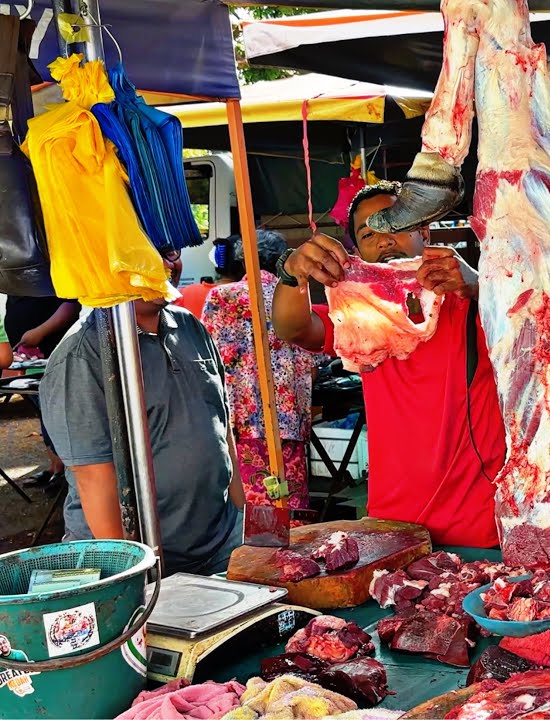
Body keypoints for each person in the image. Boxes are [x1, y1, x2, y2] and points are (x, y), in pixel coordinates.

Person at [272, 181, 504, 547]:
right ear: (358, 251)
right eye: (368, 234)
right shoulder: (360, 316)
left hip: (477, 526)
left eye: (397, 226)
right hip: (391, 526)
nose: (384, 240)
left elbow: (542, 325)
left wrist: (482, 286)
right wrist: (293, 273)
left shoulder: (472, 304)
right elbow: (294, 327)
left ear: (423, 232)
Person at [42, 297, 245, 576]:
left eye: (171, 252)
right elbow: (92, 476)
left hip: (220, 543)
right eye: (151, 254)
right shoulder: (82, 353)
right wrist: (133, 574)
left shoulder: (189, 325)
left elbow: (221, 425)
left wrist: (240, 515)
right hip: (140, 561)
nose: (165, 264)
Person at [203, 231, 317, 520]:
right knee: (289, 506)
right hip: (287, 418)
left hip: (240, 420)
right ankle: (293, 560)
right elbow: (309, 355)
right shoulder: (293, 297)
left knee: (252, 508)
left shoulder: (221, 297)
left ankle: (256, 559)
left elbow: (208, 356)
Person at [5, 294, 80, 486]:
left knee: (61, 415)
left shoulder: (52, 272)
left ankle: (69, 473)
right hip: (30, 357)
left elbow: (70, 305)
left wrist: (40, 331)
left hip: (55, 351)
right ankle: (55, 467)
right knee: (44, 412)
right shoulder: (17, 279)